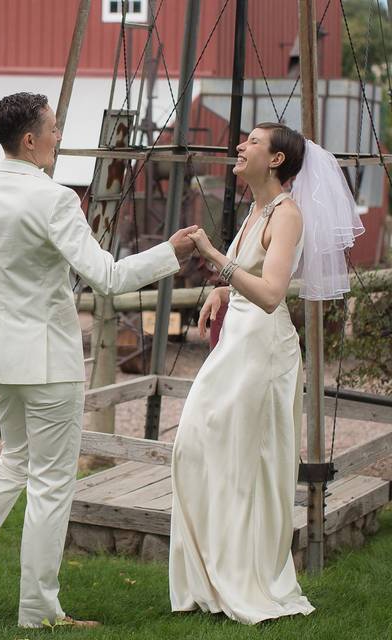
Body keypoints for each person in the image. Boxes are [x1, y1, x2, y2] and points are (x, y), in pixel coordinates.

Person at [0, 91, 198, 629]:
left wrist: (2, 269)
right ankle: (40, 612)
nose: (59, 136)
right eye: (53, 128)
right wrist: (173, 253)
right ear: (30, 140)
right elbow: (109, 277)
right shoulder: (55, 200)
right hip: (48, 361)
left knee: (14, 462)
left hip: (3, 358)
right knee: (50, 483)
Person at [170, 122, 364, 624]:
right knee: (193, 447)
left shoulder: (288, 215)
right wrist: (220, 291)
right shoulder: (256, 211)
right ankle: (209, 577)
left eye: (252, 142)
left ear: (276, 160)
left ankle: (247, 577)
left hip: (263, 350)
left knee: (242, 463)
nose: (240, 146)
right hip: (237, 343)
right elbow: (248, 275)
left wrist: (212, 258)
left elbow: (273, 292)